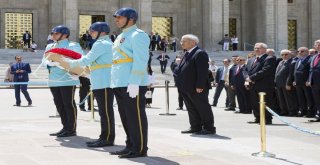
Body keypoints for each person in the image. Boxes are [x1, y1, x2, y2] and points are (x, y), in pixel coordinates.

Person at [110, 7, 149, 158]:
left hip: (132, 83)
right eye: (116, 18)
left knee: (135, 116)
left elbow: (140, 60)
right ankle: (130, 145)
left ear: (131, 19)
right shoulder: (121, 36)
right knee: (126, 116)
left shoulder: (138, 35)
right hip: (120, 82)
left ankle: (139, 148)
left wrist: (134, 82)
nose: (116, 20)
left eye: (119, 17)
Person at [68, 22, 115, 147]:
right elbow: (93, 64)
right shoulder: (105, 43)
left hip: (103, 82)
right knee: (104, 111)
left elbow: (87, 60)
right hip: (101, 80)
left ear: (102, 32)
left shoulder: (101, 44)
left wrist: (68, 63)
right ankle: (104, 136)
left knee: (105, 111)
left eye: (93, 31)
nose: (90, 33)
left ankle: (107, 138)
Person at [45, 25, 84, 137]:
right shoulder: (50, 46)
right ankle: (65, 127)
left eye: (56, 33)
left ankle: (71, 129)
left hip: (67, 79)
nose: (53, 35)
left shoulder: (72, 45)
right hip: (53, 79)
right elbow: (44, 60)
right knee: (59, 104)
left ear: (65, 35)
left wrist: (62, 62)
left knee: (68, 104)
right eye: (52, 34)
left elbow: (79, 59)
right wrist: (49, 63)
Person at [174, 34, 216, 135]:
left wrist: (200, 86)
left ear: (193, 42)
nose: (181, 43)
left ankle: (209, 127)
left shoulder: (199, 53)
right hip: (185, 87)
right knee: (191, 108)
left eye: (184, 41)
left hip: (196, 87)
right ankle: (195, 126)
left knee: (202, 107)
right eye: (181, 41)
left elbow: (202, 72)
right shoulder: (187, 53)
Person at [244, 43, 276, 125]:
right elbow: (245, 70)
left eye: (259, 48)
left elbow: (265, 70)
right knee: (254, 102)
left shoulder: (269, 58)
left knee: (266, 102)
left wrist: (251, 78)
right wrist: (247, 78)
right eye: (255, 48)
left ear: (265, 49)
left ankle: (267, 119)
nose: (256, 50)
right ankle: (258, 117)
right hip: (253, 85)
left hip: (264, 85)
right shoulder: (251, 59)